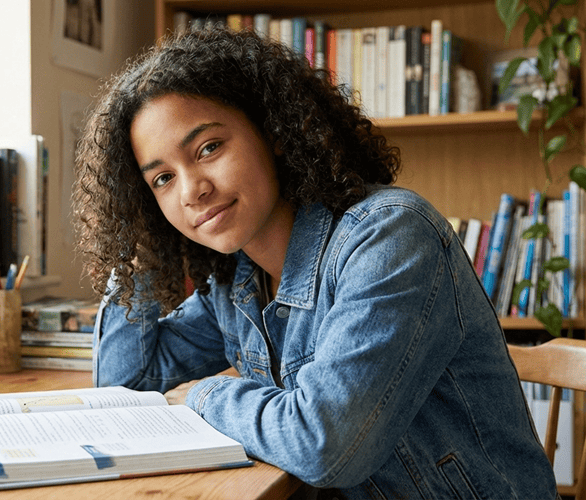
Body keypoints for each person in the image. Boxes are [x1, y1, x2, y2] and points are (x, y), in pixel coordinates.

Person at [73, 27, 558, 498]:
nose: (191, 190)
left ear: (273, 132)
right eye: (160, 179)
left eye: (209, 148)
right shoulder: (238, 280)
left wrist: (204, 395)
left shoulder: (390, 237)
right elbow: (127, 386)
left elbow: (326, 445)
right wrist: (140, 241)